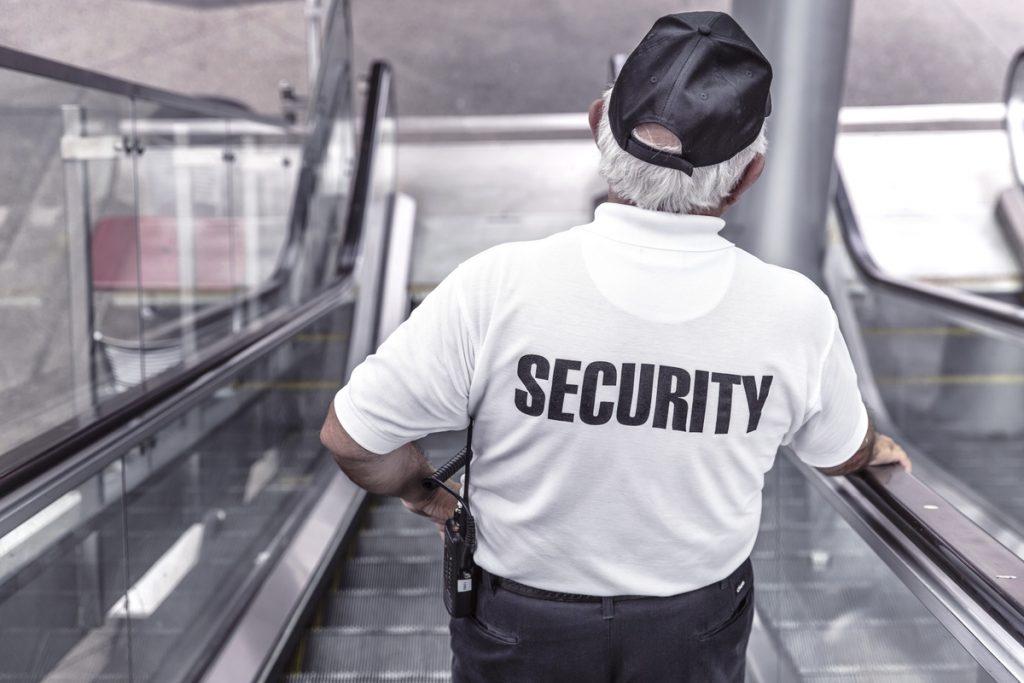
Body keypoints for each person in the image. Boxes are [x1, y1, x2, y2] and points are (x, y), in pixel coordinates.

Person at [319, 10, 910, 683]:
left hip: (520, 623)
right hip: (693, 627)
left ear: (598, 121)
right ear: (749, 176)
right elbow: (840, 451)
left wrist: (425, 492)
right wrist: (876, 451)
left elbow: (350, 437)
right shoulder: (793, 313)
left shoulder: (498, 285)